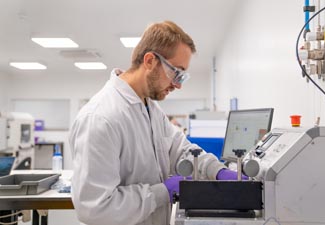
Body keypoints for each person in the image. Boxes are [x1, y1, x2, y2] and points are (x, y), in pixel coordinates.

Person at [69, 21, 240, 225]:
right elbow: (95, 208)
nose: (178, 84)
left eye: (182, 76)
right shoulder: (100, 118)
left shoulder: (149, 106)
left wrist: (217, 171)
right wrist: (161, 193)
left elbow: (181, 149)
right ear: (150, 61)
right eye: (176, 72)